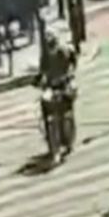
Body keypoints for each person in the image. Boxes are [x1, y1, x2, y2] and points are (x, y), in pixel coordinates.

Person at [39, 33, 77, 161]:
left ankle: (68, 136)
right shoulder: (45, 55)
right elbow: (42, 72)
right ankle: (53, 142)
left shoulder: (64, 50)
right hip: (53, 87)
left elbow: (73, 64)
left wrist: (69, 76)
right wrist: (44, 82)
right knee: (45, 105)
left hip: (64, 85)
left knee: (67, 109)